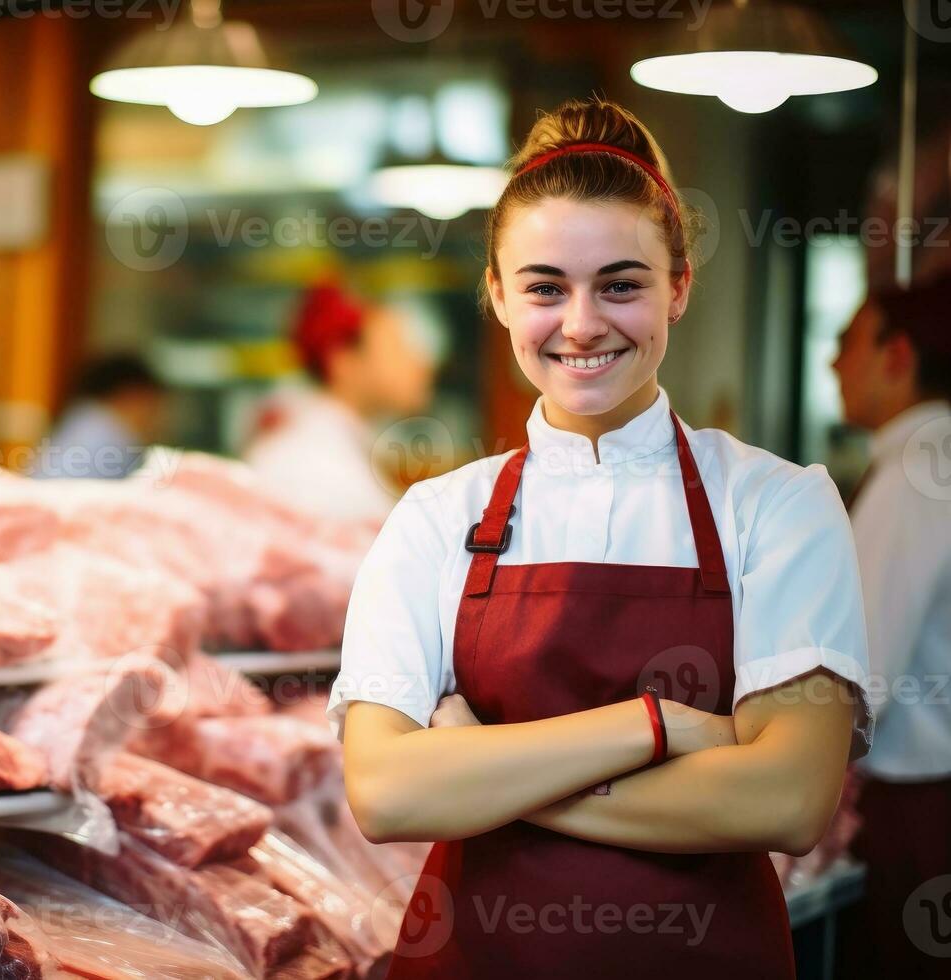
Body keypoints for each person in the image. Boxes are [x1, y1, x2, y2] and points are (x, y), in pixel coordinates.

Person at [329, 98, 873, 978]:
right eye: (545, 287)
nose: (581, 324)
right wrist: (654, 724)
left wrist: (482, 774)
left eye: (621, 284)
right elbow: (388, 793)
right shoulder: (435, 518)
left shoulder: (778, 503)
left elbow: (788, 798)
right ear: (500, 296)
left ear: (680, 286)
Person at [832, 274, 951, 977]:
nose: (832, 364)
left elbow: (858, 675)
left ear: (897, 356)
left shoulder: (915, 473)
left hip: (919, 806)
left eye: (848, 344)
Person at [243, 281, 435, 522]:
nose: (422, 364)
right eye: (397, 348)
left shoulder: (322, 442)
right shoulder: (314, 463)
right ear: (342, 360)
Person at [29, 354, 166, 479]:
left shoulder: (82, 419)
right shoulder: (109, 433)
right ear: (132, 397)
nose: (155, 419)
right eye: (152, 406)